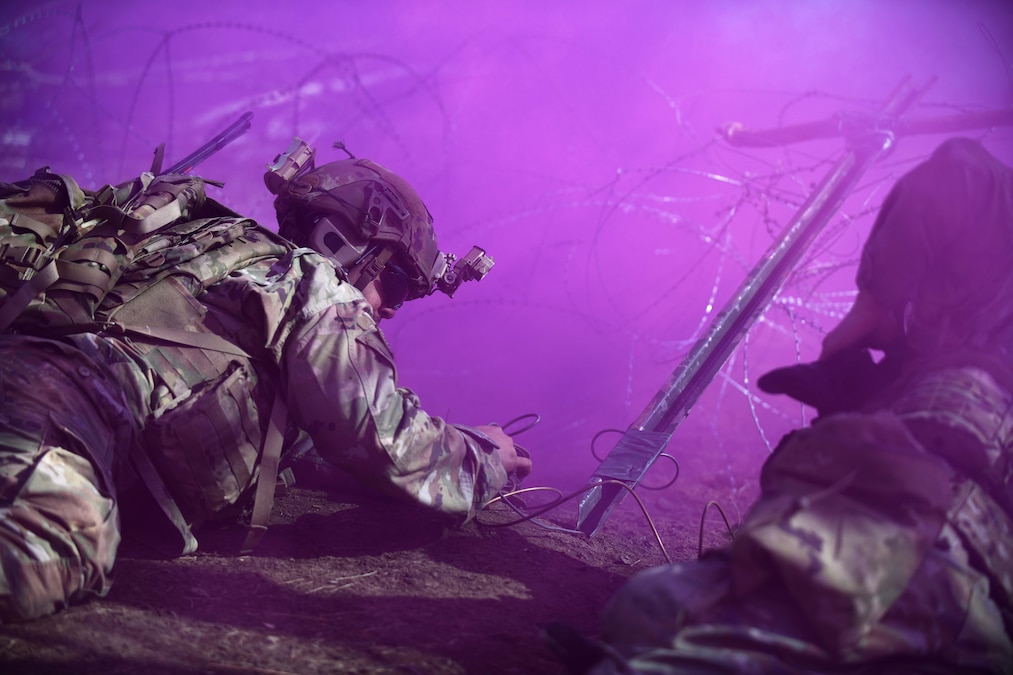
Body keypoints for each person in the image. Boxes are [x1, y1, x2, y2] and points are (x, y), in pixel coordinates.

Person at [0, 138, 531, 623]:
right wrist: (483, 456)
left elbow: (313, 439)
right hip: (59, 401)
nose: (390, 310)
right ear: (346, 243)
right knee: (42, 550)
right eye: (393, 283)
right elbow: (380, 436)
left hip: (43, 382)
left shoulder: (200, 240)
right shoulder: (313, 284)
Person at [552, 137, 1013, 674]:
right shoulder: (947, 369)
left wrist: (874, 299)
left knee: (672, 621)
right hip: (936, 592)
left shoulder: (972, 390)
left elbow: (963, 175)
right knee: (651, 606)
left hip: (942, 592)